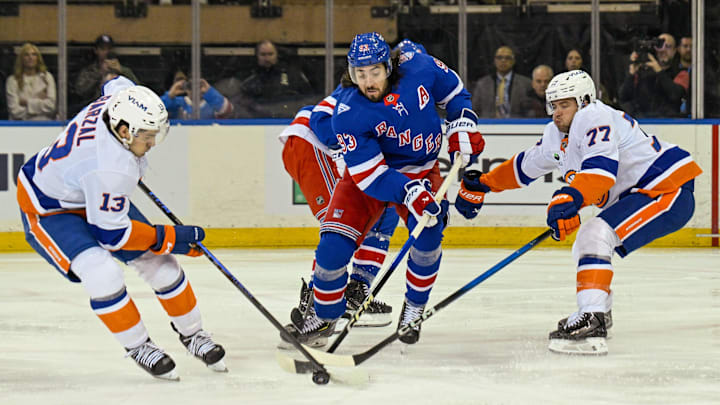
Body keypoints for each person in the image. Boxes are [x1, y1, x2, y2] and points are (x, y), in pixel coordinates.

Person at [454, 70, 701, 355]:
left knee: (594, 234)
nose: (557, 112)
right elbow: (525, 166)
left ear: (584, 101)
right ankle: (599, 313)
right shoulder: (556, 134)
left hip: (667, 190)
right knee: (588, 241)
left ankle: (592, 319)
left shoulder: (594, 117)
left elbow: (600, 174)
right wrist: (485, 183)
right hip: (643, 193)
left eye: (564, 104)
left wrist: (569, 198)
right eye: (553, 105)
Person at [280, 32, 485, 347]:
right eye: (359, 74)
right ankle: (323, 316)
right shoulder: (348, 110)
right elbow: (371, 175)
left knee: (428, 236)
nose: (367, 81)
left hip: (421, 168)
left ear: (389, 66)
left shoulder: (419, 65)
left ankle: (414, 307)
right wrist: (409, 192)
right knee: (332, 246)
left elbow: (455, 93)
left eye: (374, 71)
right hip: (372, 177)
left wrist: (462, 124)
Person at [16, 75, 226, 379]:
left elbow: (113, 81)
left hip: (87, 187)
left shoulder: (120, 101)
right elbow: (113, 236)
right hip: (48, 208)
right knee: (102, 272)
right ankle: (138, 345)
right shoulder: (111, 166)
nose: (152, 143)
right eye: (147, 137)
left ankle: (193, 335)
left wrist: (163, 245)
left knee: (160, 262)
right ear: (124, 131)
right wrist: (169, 237)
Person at [277, 101, 398, 334]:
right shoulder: (384, 101)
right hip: (312, 143)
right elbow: (324, 120)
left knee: (385, 213)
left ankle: (355, 292)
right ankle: (315, 303)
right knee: (340, 225)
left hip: (328, 147)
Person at [235, 39, 315, 118]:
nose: (267, 58)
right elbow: (243, 106)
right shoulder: (249, 81)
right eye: (263, 54)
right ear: (257, 56)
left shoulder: (293, 76)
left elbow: (309, 99)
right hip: (259, 124)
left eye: (270, 54)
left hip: (289, 121)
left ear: (276, 54)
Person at [618, 33, 685, 117]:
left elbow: (675, 95)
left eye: (668, 47)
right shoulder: (643, 73)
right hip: (644, 122)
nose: (663, 51)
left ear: (675, 50)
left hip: (670, 123)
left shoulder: (681, 73)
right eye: (659, 46)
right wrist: (631, 74)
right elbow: (623, 97)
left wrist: (659, 70)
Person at [74, 35, 139, 108]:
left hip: (120, 107)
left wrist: (121, 71)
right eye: (102, 49)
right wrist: (100, 73)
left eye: (109, 49)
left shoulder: (123, 70)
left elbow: (138, 88)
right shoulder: (89, 71)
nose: (106, 52)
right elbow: (81, 91)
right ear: (96, 50)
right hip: (95, 108)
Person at [472, 45, 532, 118]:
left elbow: (530, 111)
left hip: (517, 126)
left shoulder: (525, 84)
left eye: (507, 58)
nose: (503, 61)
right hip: (488, 126)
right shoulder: (482, 84)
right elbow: (475, 110)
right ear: (495, 60)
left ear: (513, 61)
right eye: (499, 57)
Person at [5, 42, 57, 121]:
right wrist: (38, 100)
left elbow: (51, 106)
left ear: (38, 58)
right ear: (21, 59)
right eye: (26, 55)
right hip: (19, 127)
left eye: (34, 54)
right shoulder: (12, 80)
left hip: (45, 126)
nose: (30, 57)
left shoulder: (47, 77)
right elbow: (14, 111)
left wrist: (26, 102)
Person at [162, 70, 233, 119]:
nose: (194, 89)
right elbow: (156, 111)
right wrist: (170, 95)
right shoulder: (178, 103)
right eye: (190, 85)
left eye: (198, 85)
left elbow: (227, 110)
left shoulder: (211, 103)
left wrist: (209, 91)